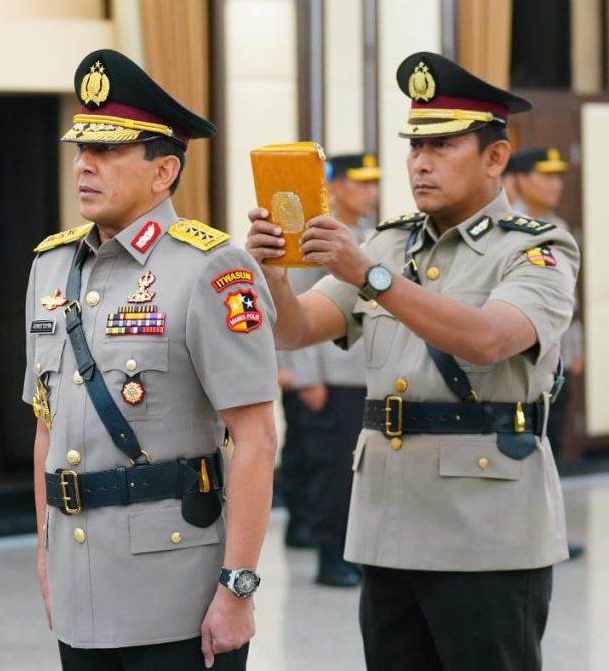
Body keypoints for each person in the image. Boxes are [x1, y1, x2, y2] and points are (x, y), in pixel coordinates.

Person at [246, 51, 579, 670]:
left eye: (442, 145)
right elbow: (295, 330)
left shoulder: (536, 250)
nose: (420, 162)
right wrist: (273, 276)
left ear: (495, 157)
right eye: (415, 145)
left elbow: (487, 340)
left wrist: (370, 276)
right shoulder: (389, 242)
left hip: (485, 531)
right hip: (388, 524)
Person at [25, 48, 279, 670]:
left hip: (176, 592)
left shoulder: (211, 267)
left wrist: (238, 587)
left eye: (107, 151)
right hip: (79, 580)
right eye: (81, 150)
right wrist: (45, 550)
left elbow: (255, 438)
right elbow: (46, 425)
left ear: (164, 171)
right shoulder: (51, 266)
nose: (84, 165)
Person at [277, 153, 380, 587]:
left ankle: (352, 552)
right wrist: (306, 377)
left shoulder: (371, 234)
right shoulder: (319, 233)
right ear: (335, 187)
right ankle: (330, 556)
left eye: (374, 183)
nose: (370, 192)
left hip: (362, 373)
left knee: (356, 470)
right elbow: (295, 305)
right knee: (331, 471)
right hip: (330, 373)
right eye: (361, 183)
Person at [505, 146, 585, 559]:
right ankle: (519, 535)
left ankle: (548, 532)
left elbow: (569, 300)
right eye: (545, 175)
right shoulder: (508, 226)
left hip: (557, 357)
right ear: (518, 179)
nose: (555, 185)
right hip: (522, 359)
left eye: (558, 176)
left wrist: (575, 348)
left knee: (550, 445)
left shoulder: (559, 226)